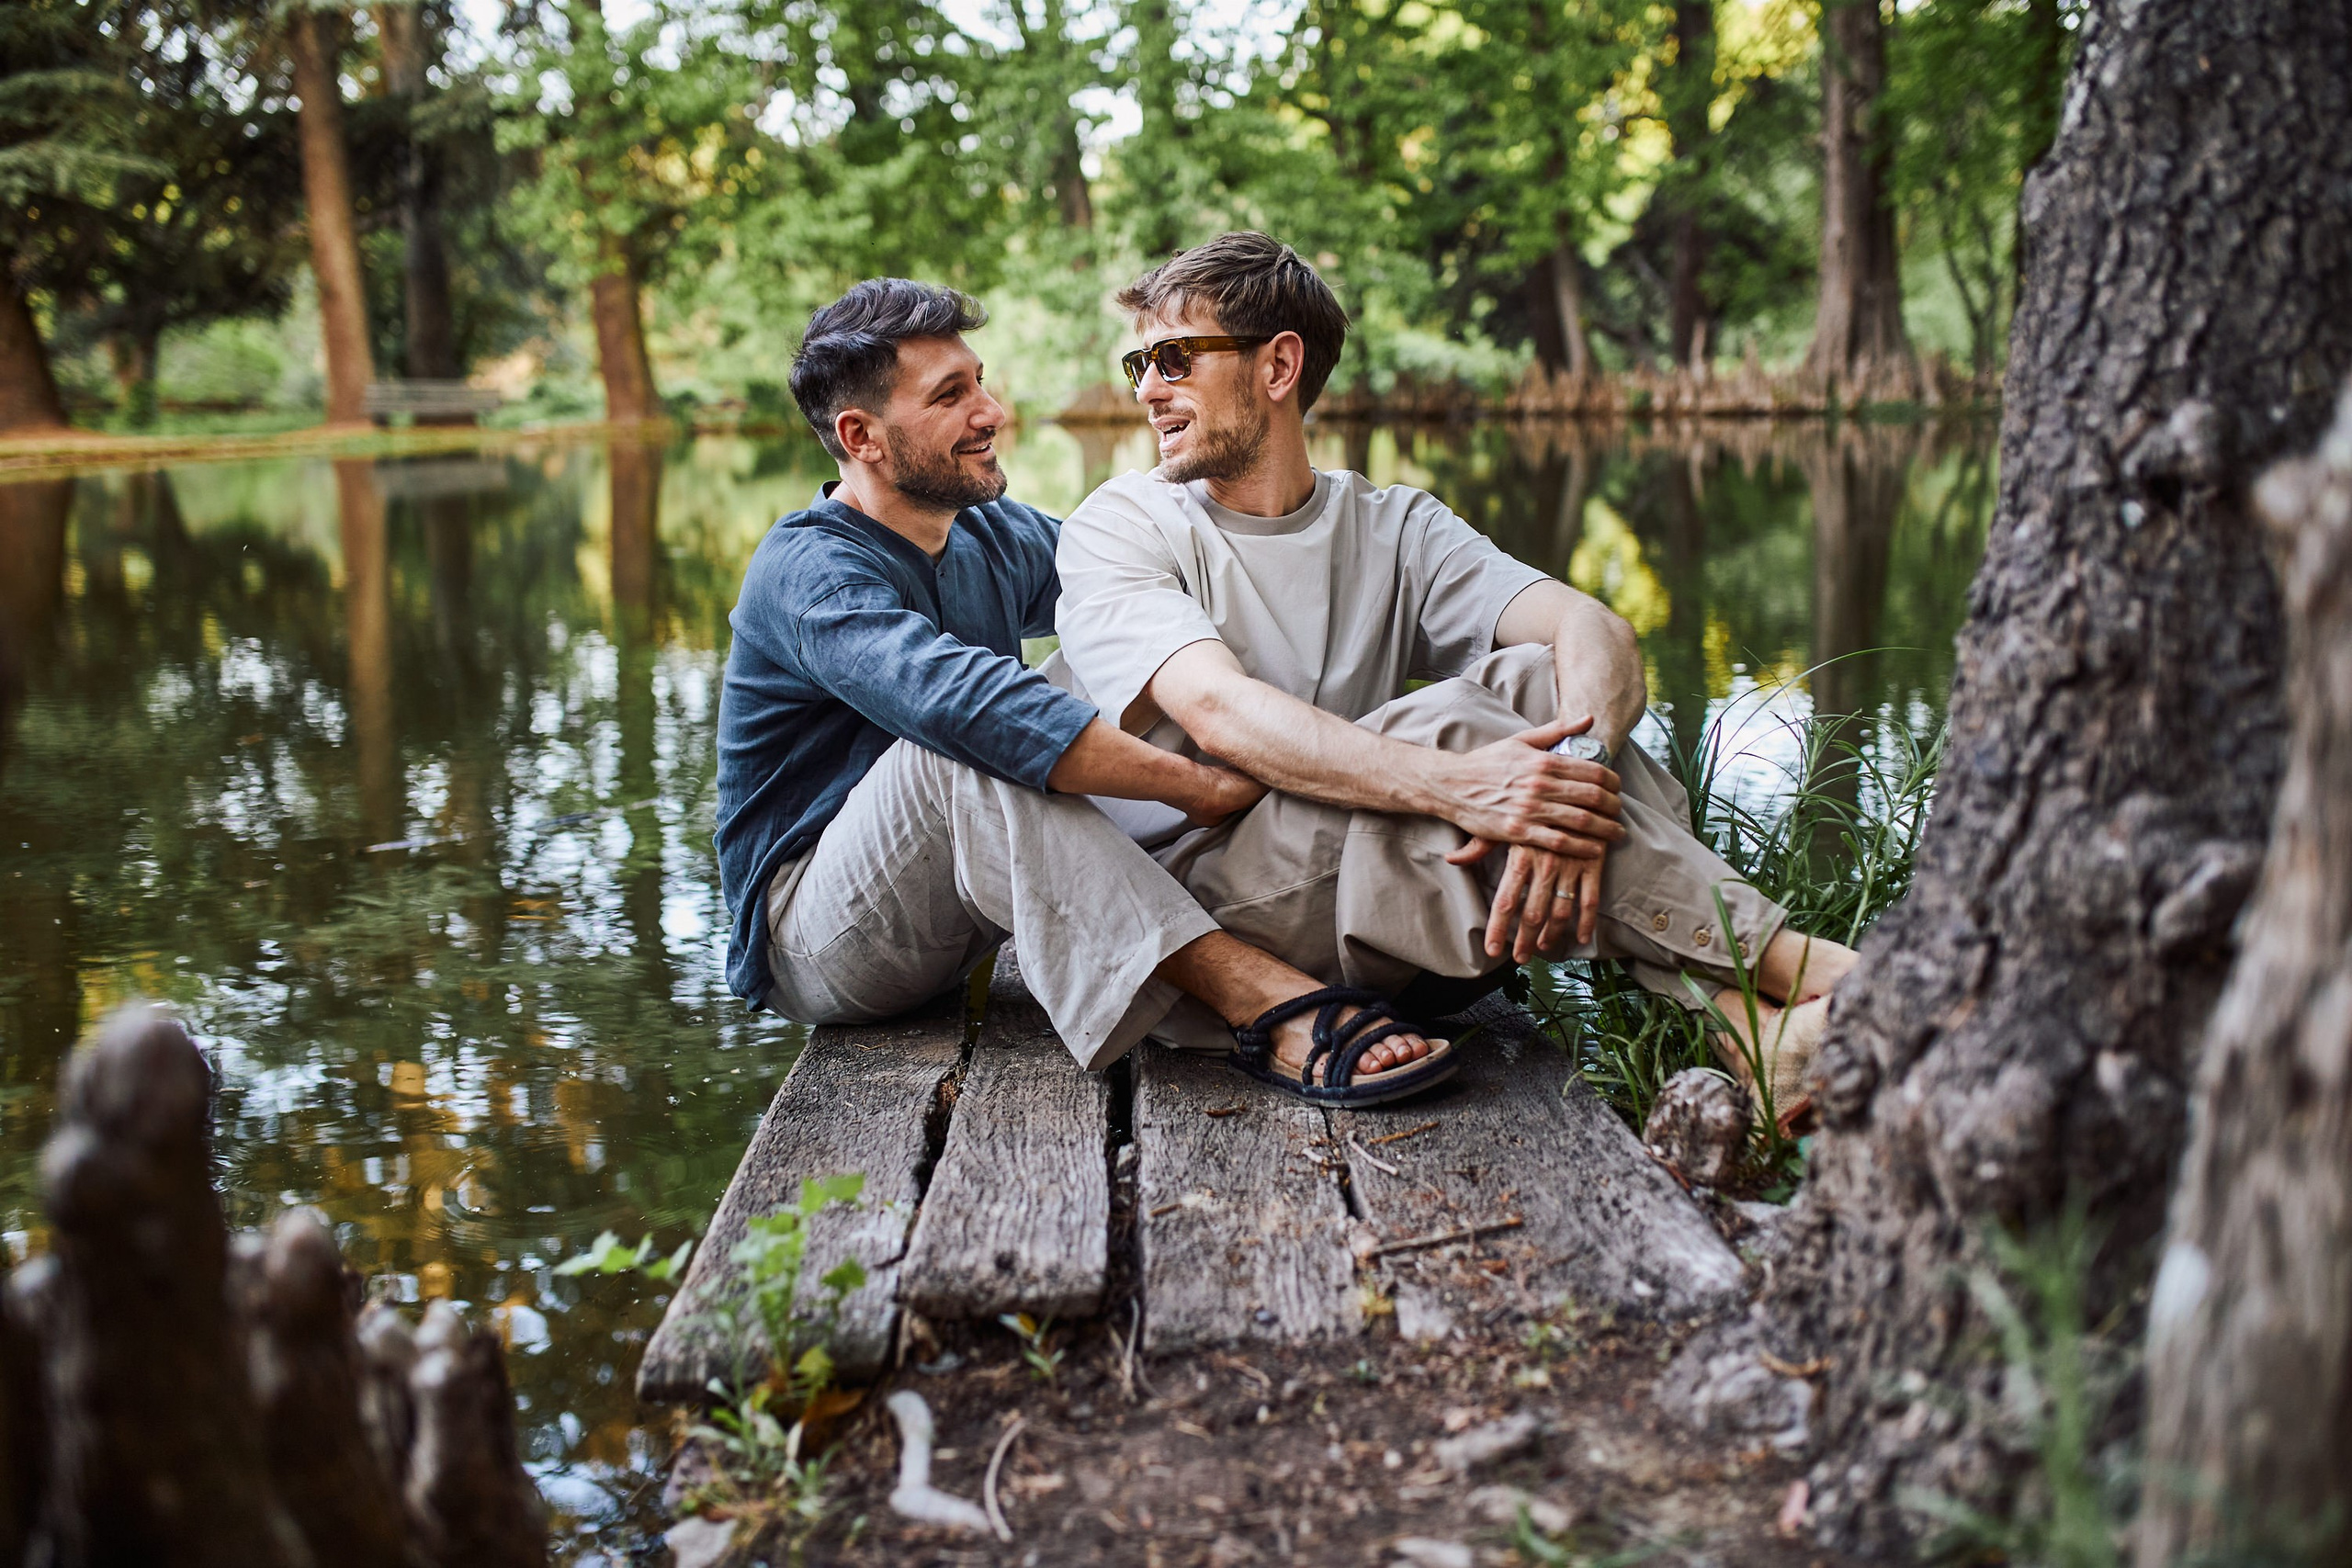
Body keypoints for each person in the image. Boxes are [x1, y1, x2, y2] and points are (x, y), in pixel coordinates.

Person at [1047, 232, 1857, 1111]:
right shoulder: (1123, 523)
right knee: (1456, 733)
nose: (1147, 388)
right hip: (1206, 913)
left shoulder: (1391, 524)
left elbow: (1592, 627)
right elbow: (1218, 712)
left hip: (1366, 870)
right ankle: (1828, 975)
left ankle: (1749, 1025)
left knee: (1548, 697)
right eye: (1140, 363)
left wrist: (1570, 772)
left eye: (1173, 357)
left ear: (1279, 366)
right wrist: (1465, 786)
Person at [718, 278, 1577, 1106]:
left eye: (979, 383)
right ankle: (1261, 1000)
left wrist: (1305, 709)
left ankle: (1361, 886)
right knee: (965, 752)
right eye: (950, 396)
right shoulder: (811, 573)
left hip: (964, 913)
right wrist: (1208, 786)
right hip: (821, 933)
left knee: (1152, 651)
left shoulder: (990, 533)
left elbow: (1151, 593)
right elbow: (973, 709)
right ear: (861, 437)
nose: (992, 413)